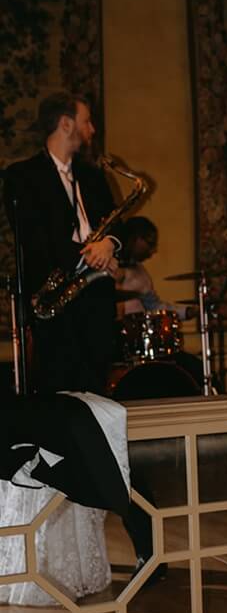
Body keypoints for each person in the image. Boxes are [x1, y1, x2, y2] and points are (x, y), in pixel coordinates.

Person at [4, 92, 120, 394]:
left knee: (95, 387)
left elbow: (117, 223)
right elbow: (33, 237)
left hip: (95, 299)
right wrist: (89, 254)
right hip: (55, 300)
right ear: (66, 124)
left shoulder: (94, 177)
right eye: (86, 121)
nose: (92, 129)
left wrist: (109, 243)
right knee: (59, 386)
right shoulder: (22, 176)